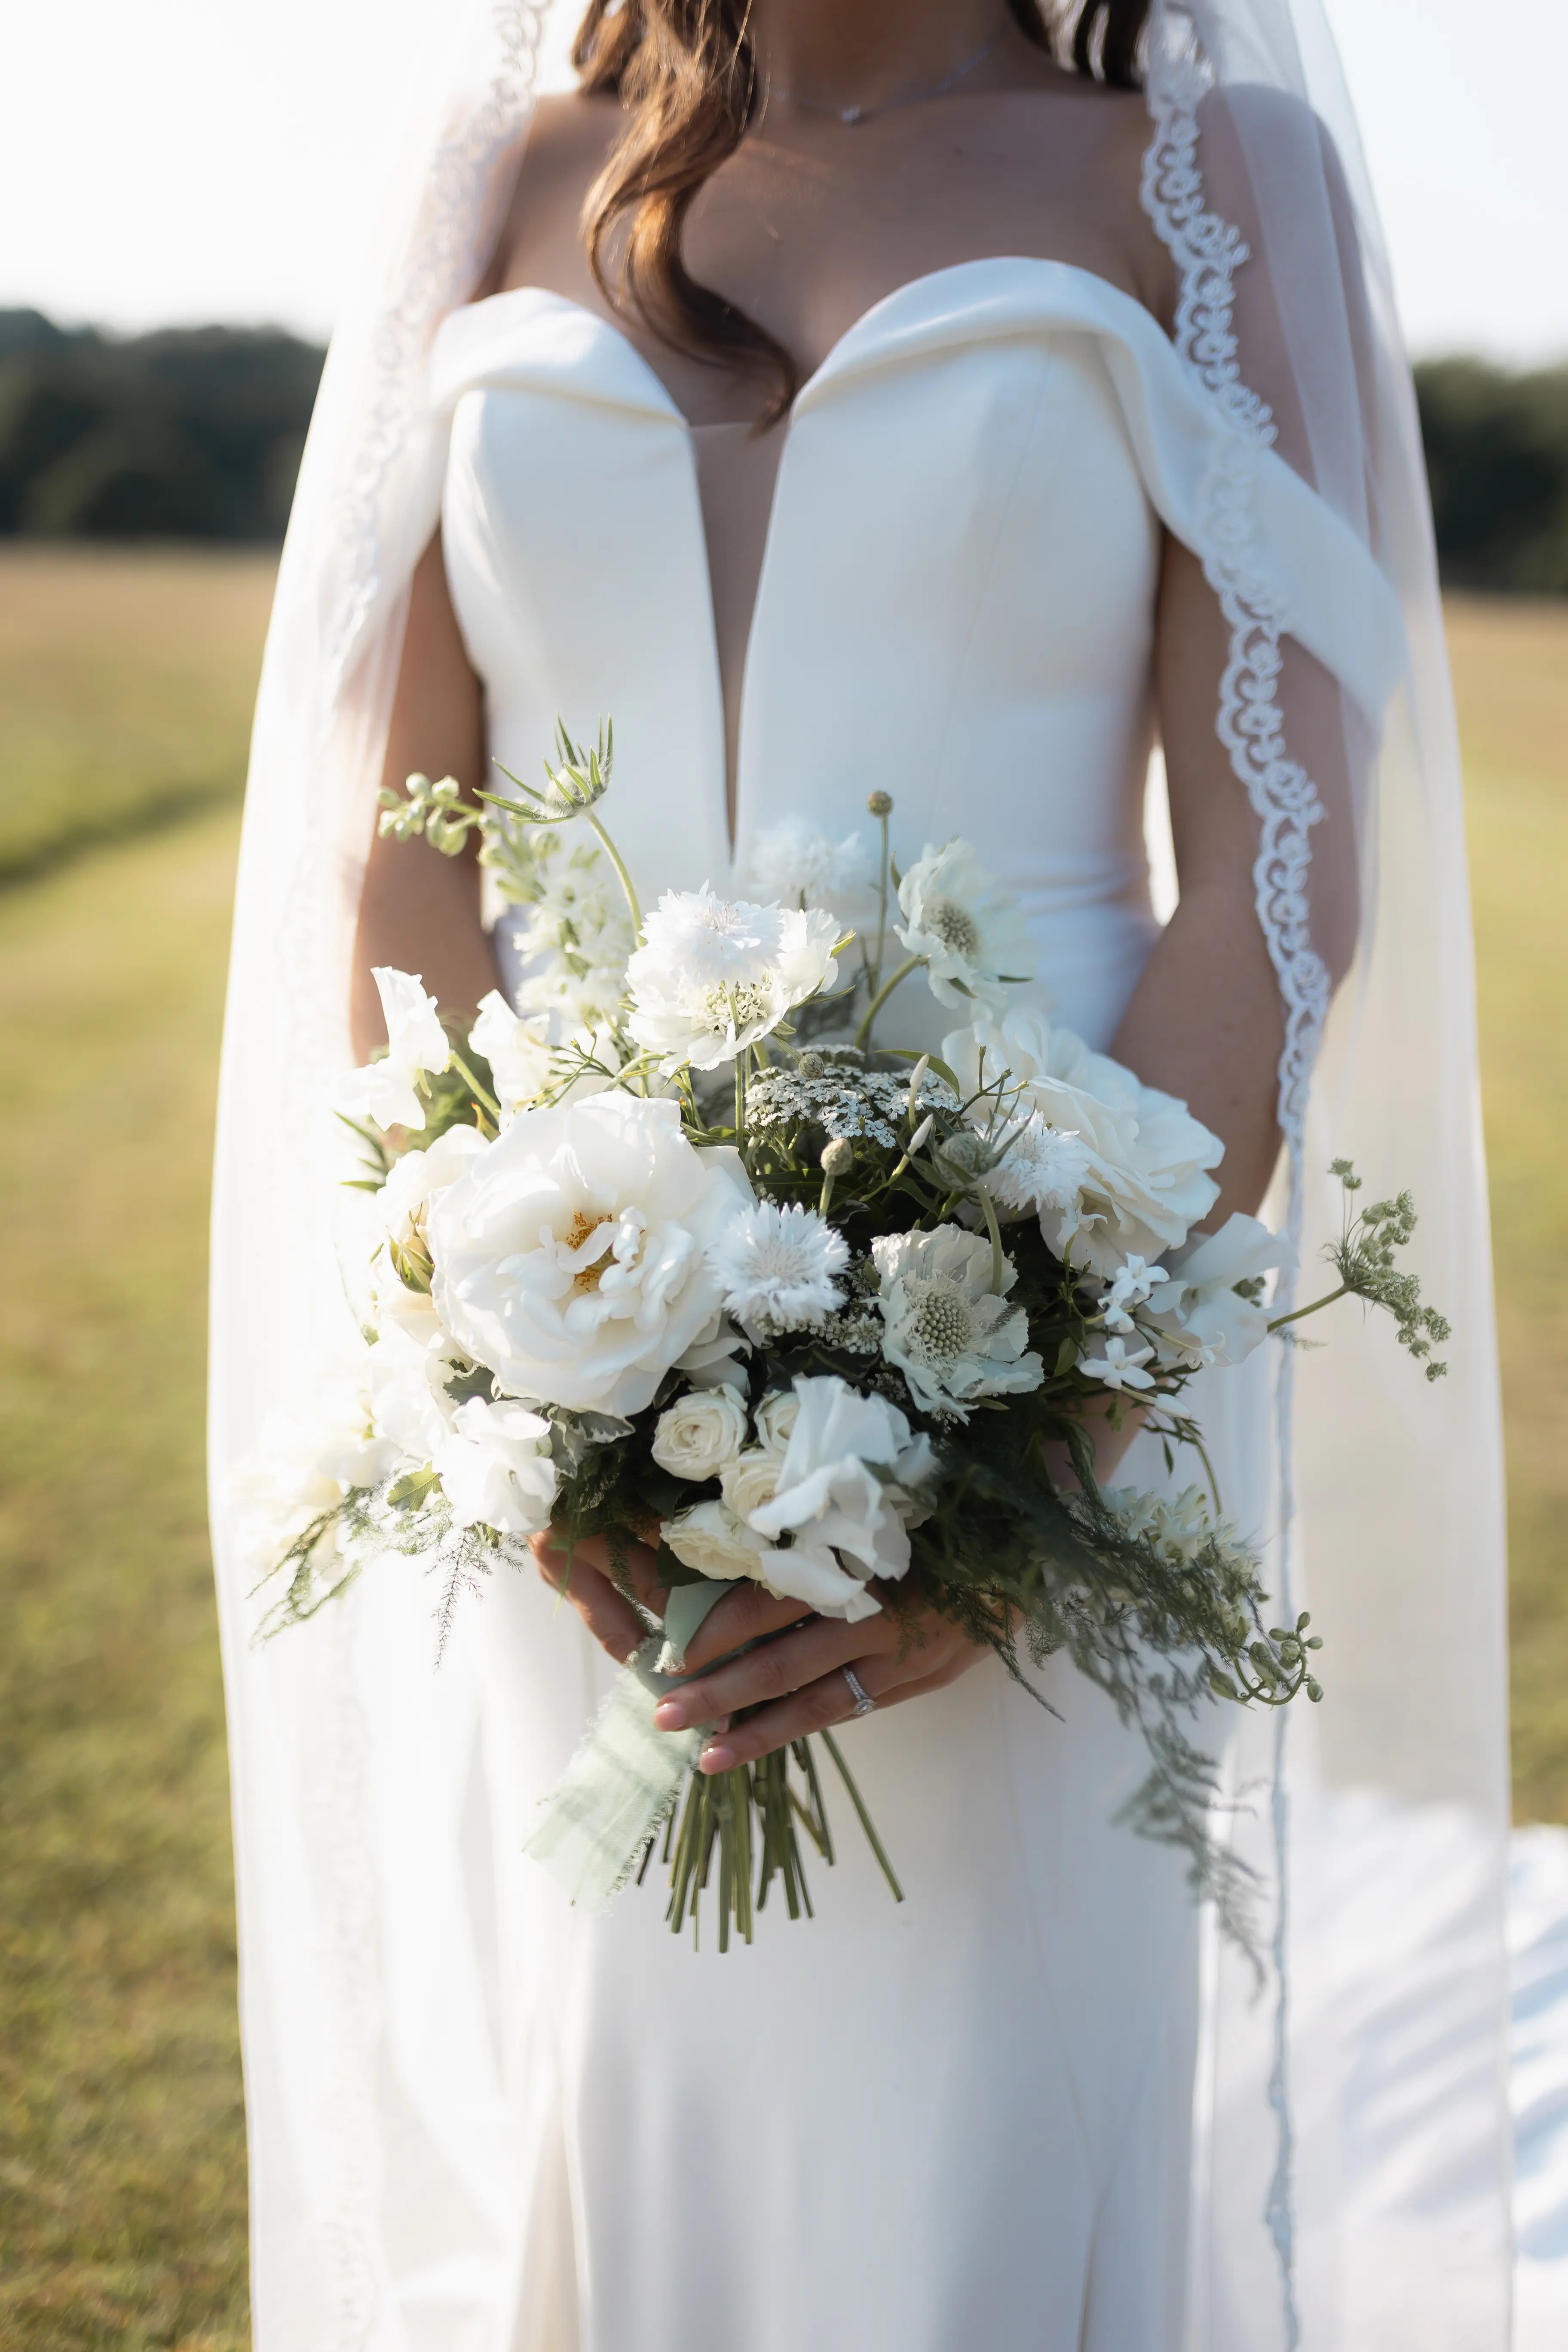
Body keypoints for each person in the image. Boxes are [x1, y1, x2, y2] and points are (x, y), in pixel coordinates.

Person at [209, 4, 1512, 2346]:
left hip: (1063, 1300)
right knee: (618, 2075)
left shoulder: (1205, 182)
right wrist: (499, 1351)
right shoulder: (499, 177)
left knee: (979, 2124)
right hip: (564, 1321)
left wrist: (1045, 1447)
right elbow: (384, 848)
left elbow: (1276, 855)